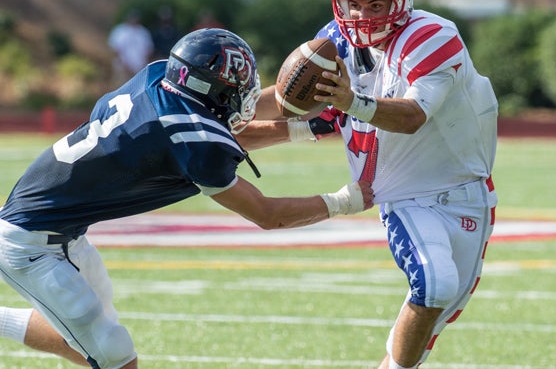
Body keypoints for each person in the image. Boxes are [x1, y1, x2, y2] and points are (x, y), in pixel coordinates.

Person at [0, 28, 373, 368]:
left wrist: (305, 128)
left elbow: (211, 131)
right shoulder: (192, 137)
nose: (246, 94)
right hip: (29, 244)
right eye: (238, 87)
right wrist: (347, 200)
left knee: (91, 340)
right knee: (113, 351)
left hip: (59, 231)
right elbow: (267, 213)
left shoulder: (158, 76)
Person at [238, 0, 498, 368]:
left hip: (468, 190)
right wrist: (226, 119)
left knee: (438, 310)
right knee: (434, 285)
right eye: (351, 6)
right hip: (402, 193)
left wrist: (350, 103)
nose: (360, 18)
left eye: (375, 5)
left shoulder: (432, 37)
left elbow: (413, 115)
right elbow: (292, 106)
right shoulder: (336, 40)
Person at [107, 9, 154, 86]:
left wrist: (144, 66)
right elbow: (115, 50)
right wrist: (124, 65)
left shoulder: (143, 32)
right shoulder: (119, 31)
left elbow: (149, 50)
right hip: (122, 70)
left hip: (139, 70)